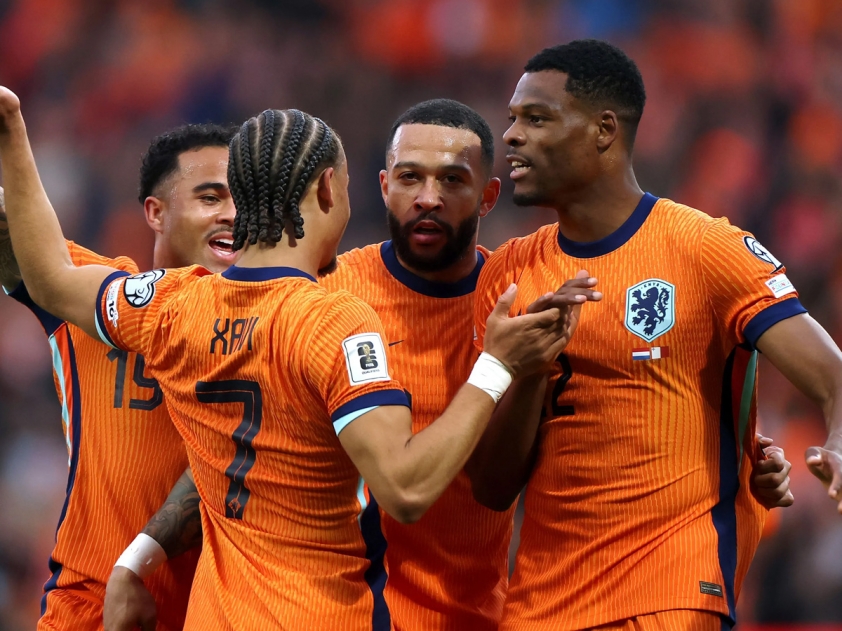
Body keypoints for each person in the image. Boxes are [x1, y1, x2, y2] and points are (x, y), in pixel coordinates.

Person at [104, 98, 794, 631]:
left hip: (482, 613)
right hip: (352, 608)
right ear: (381, 187)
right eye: (409, 178)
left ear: (487, 196)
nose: (427, 197)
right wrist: (143, 552)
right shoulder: (327, 294)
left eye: (451, 180)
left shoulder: (522, 302)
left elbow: (611, 418)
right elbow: (244, 439)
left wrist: (740, 452)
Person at [0, 94, 586, 629]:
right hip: (315, 612)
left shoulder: (173, 302)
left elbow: (49, 277)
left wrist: (12, 131)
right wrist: (496, 365)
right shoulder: (336, 318)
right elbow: (406, 489)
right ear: (328, 190)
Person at [467, 40, 841, 631]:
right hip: (540, 608)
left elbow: (832, 378)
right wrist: (531, 371)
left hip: (670, 597)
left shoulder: (705, 249)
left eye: (536, 119)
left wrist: (838, 444)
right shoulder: (507, 275)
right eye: (513, 119)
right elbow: (491, 487)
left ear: (603, 130)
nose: (511, 136)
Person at [0, 121, 236, 630]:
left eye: (244, 199)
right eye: (211, 197)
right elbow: (18, 238)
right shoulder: (91, 295)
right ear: (156, 212)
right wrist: (11, 129)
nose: (233, 214)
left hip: (216, 617)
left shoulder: (269, 327)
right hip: (88, 614)